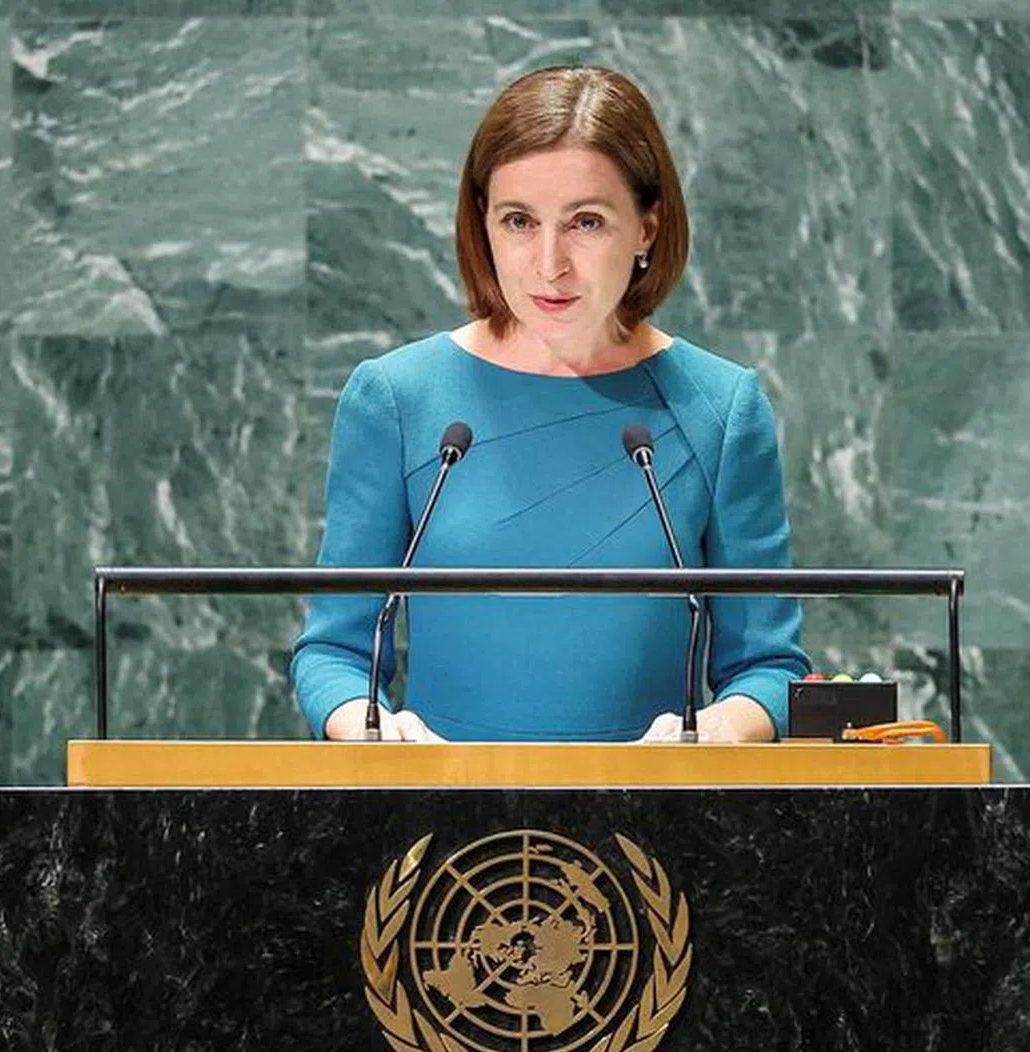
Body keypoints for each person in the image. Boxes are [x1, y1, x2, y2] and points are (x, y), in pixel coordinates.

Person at [291, 66, 810, 744]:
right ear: (483, 225)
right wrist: (374, 735)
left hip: (650, 807)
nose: (548, 263)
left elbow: (768, 666)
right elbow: (335, 652)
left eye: (586, 222)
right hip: (442, 806)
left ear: (647, 228)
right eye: (518, 221)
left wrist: (716, 732)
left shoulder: (721, 407)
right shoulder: (396, 397)